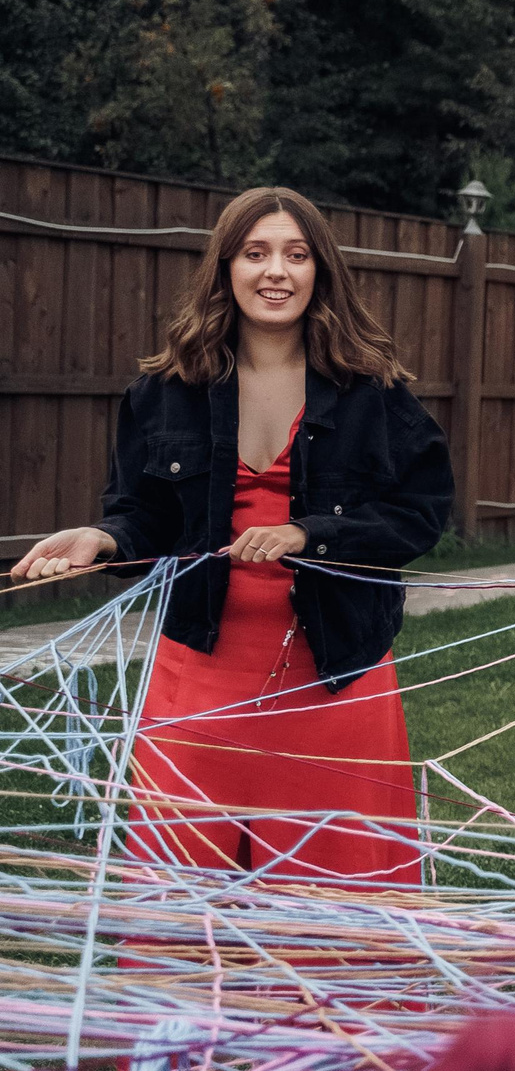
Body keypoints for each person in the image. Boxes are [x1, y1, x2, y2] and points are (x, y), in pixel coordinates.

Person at [11, 186, 453, 884]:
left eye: (296, 254)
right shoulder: (166, 391)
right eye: (256, 253)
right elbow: (143, 514)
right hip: (197, 691)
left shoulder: (374, 392)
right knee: (184, 908)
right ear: (226, 268)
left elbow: (421, 512)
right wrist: (104, 538)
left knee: (331, 918)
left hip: (334, 688)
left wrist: (309, 534)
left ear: (320, 271)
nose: (276, 271)